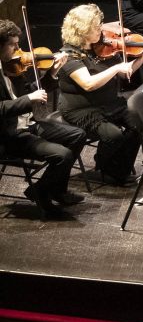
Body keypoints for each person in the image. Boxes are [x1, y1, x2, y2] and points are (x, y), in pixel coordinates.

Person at [0, 18, 85, 218]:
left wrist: (52, 73)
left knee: (78, 135)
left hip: (29, 125)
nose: (18, 49)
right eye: (12, 45)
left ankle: (53, 189)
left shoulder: (12, 67)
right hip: (9, 135)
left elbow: (33, 92)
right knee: (62, 155)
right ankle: (42, 194)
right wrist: (29, 99)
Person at [55, 4, 143, 185]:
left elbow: (123, 72)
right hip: (82, 109)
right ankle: (104, 168)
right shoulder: (69, 56)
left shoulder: (101, 48)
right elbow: (88, 84)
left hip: (108, 103)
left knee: (137, 124)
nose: (101, 29)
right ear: (82, 30)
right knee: (113, 135)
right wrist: (116, 67)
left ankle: (118, 170)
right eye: (96, 27)